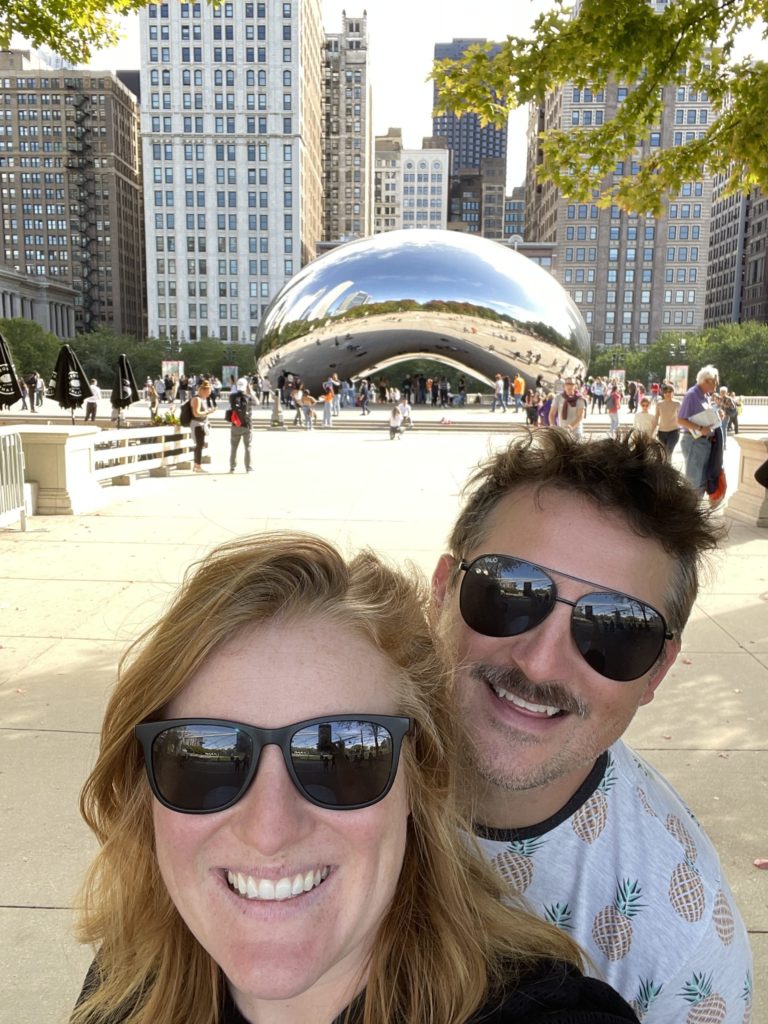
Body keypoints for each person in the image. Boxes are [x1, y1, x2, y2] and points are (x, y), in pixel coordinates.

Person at [71, 532, 639, 1024]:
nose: (270, 830)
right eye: (205, 757)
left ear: (418, 780)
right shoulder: (125, 983)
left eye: (342, 755)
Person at [431, 430, 752, 1023]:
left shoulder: (681, 948)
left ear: (656, 670)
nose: (539, 662)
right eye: (510, 592)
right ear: (442, 591)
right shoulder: (311, 741)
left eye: (616, 629)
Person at [677, 365, 721, 496]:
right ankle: (689, 514)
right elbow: (680, 420)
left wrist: (717, 416)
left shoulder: (704, 395)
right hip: (694, 442)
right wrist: (700, 428)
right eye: (715, 381)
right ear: (706, 380)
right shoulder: (692, 395)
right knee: (693, 483)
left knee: (700, 482)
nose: (716, 385)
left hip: (703, 443)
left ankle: (696, 513)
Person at [228, 378, 254, 474]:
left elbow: (231, 403)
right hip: (247, 425)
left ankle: (232, 467)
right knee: (248, 447)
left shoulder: (232, 397)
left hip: (235, 424)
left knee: (234, 447)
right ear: (246, 386)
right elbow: (258, 402)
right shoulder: (249, 397)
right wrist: (250, 391)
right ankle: (248, 467)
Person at [190, 380, 214, 473]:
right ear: (203, 390)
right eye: (209, 391)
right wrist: (208, 412)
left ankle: (196, 465)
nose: (210, 393)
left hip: (201, 424)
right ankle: (197, 466)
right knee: (199, 445)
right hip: (197, 425)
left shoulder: (203, 399)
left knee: (200, 445)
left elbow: (201, 413)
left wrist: (207, 419)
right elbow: (196, 414)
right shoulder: (197, 399)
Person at [653, 385, 680, 458]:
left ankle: (668, 467)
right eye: (665, 392)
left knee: (669, 450)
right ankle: (665, 467)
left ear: (673, 393)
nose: (667, 393)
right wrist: (652, 431)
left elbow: (682, 417)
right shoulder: (659, 404)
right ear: (663, 393)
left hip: (674, 431)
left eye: (670, 391)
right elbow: (656, 418)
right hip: (662, 432)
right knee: (663, 452)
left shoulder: (677, 404)